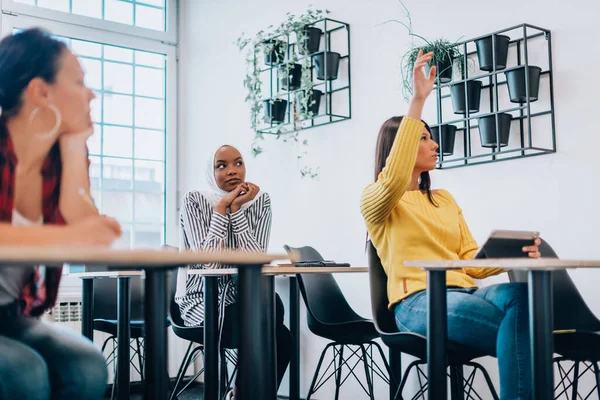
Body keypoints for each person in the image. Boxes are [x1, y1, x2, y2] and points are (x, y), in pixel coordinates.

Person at [360, 50, 541, 400]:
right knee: (524, 330)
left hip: (465, 292)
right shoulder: (377, 201)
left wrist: (511, 256)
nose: (435, 144)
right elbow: (395, 179)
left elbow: (468, 258)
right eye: (424, 138)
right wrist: (418, 100)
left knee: (523, 298)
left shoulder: (444, 199)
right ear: (400, 148)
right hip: (416, 303)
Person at [0, 28, 122, 400]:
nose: (92, 93)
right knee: (23, 372)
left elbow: (82, 230)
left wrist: (73, 146)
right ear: (41, 91)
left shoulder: (59, 159)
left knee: (85, 365)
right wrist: (74, 237)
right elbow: (76, 237)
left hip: (8, 314)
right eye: (80, 82)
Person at [176, 144, 292, 399]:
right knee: (269, 319)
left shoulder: (259, 201)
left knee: (281, 331)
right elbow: (208, 265)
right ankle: (243, 393)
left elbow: (254, 260)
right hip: (201, 300)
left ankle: (242, 392)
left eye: (238, 163)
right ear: (211, 170)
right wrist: (221, 207)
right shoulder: (195, 200)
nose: (232, 171)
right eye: (222, 165)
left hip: (240, 300)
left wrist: (237, 210)